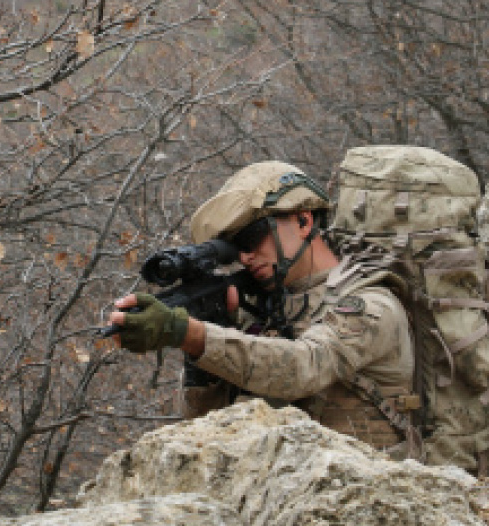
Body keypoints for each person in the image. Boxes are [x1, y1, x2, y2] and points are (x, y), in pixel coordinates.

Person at [108, 161, 421, 458]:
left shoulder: (369, 304)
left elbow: (304, 367)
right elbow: (205, 427)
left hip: (367, 489)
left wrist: (192, 335)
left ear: (303, 220)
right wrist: (201, 360)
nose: (245, 257)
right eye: (235, 248)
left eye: (252, 238)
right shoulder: (264, 308)